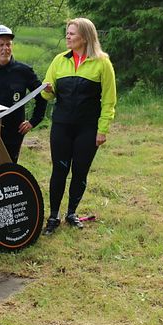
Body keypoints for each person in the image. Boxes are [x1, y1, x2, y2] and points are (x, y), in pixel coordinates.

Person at [41, 17, 117, 235]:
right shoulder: (59, 61)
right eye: (67, 32)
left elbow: (109, 100)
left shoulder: (102, 63)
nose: (67, 36)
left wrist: (102, 130)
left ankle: (71, 213)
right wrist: (45, 89)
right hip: (62, 126)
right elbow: (48, 95)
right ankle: (53, 216)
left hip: (88, 128)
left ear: (85, 37)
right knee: (59, 170)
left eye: (72, 33)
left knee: (80, 172)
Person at [0, 25, 47, 164]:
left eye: (8, 44)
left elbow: (41, 96)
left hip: (14, 132)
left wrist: (34, 121)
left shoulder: (24, 71)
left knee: (8, 170)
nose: (5, 48)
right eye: (1, 44)